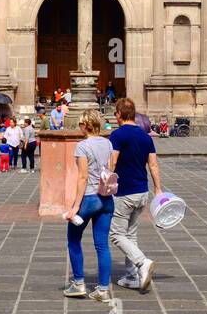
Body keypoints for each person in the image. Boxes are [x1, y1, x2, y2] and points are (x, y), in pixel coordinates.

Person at [109, 98, 162, 292]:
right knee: (130, 234)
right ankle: (131, 276)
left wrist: (105, 185)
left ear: (120, 114)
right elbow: (153, 165)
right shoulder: (145, 137)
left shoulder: (117, 135)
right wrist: (158, 189)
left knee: (116, 234)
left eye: (116, 113)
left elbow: (112, 163)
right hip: (142, 191)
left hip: (124, 192)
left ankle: (142, 262)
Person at [63, 111, 116, 303]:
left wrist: (75, 207)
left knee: (73, 240)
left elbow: (83, 177)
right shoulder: (108, 143)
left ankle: (78, 283)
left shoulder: (82, 146)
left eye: (80, 124)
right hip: (106, 198)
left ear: (86, 125)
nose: (79, 127)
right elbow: (109, 169)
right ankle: (102, 290)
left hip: (89, 199)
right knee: (102, 245)